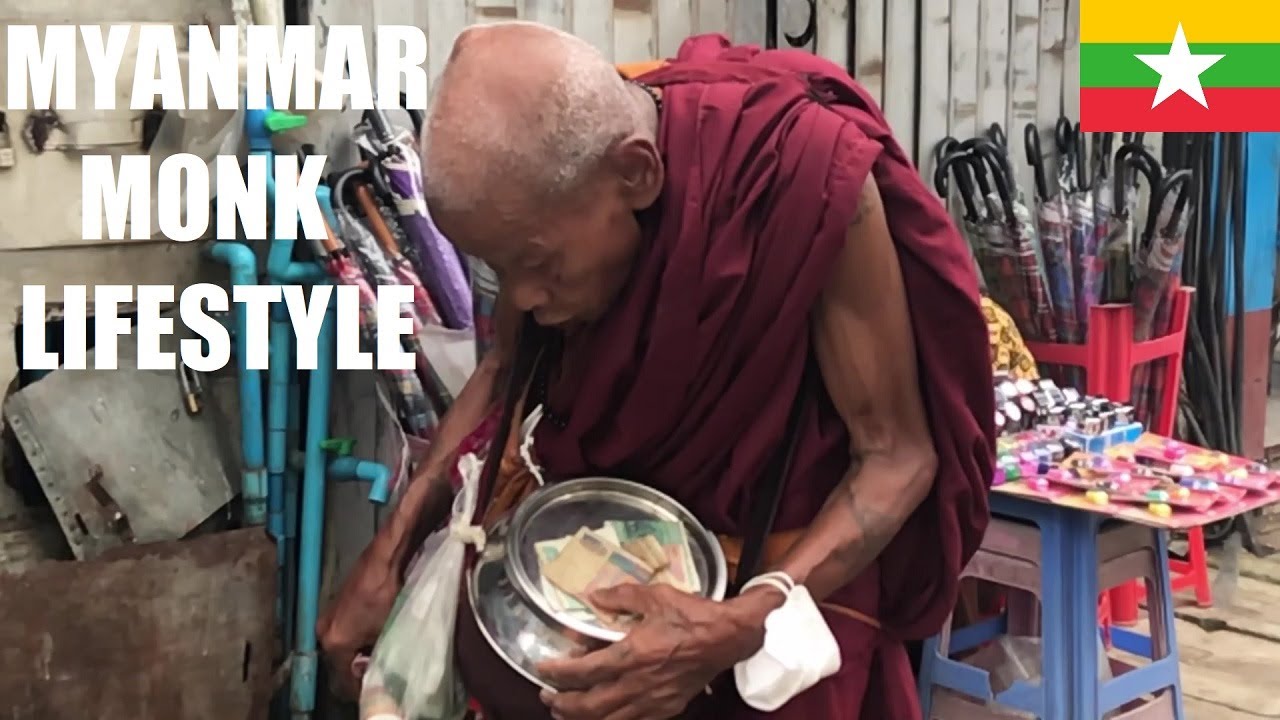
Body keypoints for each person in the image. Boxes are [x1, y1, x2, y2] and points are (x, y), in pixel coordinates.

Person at [319, 22, 995, 720]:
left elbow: (897, 457)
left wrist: (742, 620)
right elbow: (505, 366)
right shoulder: (555, 197)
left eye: (539, 264)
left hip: (778, 579)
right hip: (593, 587)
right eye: (500, 272)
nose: (521, 298)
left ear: (638, 175)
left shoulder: (803, 178)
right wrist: (391, 546)